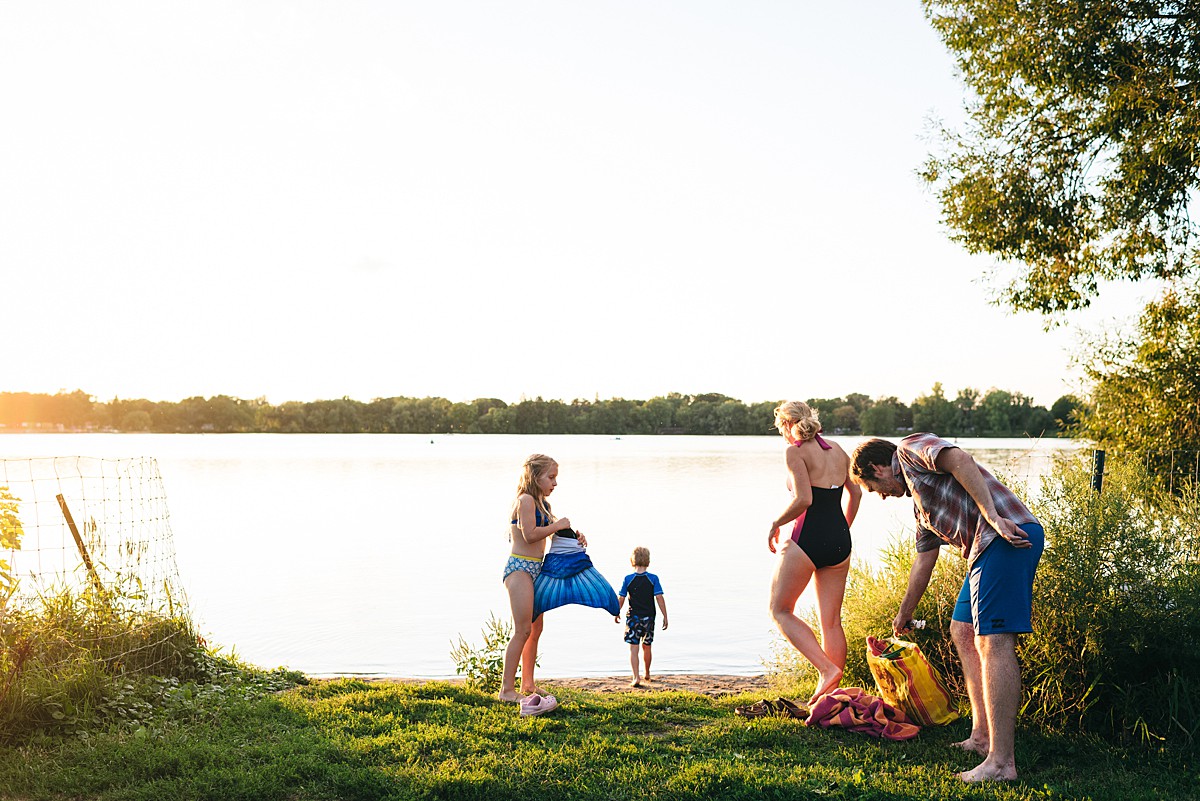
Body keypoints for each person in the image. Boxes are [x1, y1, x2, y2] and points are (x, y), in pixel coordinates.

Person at [849, 434, 1044, 783]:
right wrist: (904, 613)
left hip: (1005, 536)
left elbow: (960, 460)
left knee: (994, 641)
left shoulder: (909, 450)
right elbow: (924, 560)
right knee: (963, 630)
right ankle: (982, 736)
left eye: (873, 487)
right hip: (984, 550)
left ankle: (1001, 763)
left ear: (878, 467)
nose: (880, 495)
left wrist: (993, 517)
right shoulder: (920, 504)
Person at [767, 401, 862, 705]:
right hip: (839, 539)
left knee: (780, 610)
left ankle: (826, 669)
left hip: (806, 538)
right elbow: (856, 492)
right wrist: (842, 527)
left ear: (786, 424)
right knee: (831, 621)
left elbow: (804, 499)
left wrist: (776, 523)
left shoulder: (794, 451)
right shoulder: (837, 449)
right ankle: (831, 696)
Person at [499, 453, 576, 706]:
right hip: (520, 569)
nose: (555, 483)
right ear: (535, 476)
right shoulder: (525, 500)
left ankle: (528, 683)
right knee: (522, 630)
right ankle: (507, 690)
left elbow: (554, 535)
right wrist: (557, 525)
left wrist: (575, 537)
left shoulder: (543, 504)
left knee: (534, 630)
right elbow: (530, 535)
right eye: (551, 477)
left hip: (537, 569)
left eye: (556, 478)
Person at [615, 546, 668, 687]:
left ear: (632, 560)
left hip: (633, 618)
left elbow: (621, 598)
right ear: (648, 560)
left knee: (634, 648)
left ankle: (636, 677)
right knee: (647, 645)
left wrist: (616, 611)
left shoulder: (628, 579)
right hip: (649, 618)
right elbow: (659, 598)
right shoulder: (653, 579)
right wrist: (665, 616)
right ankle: (647, 672)